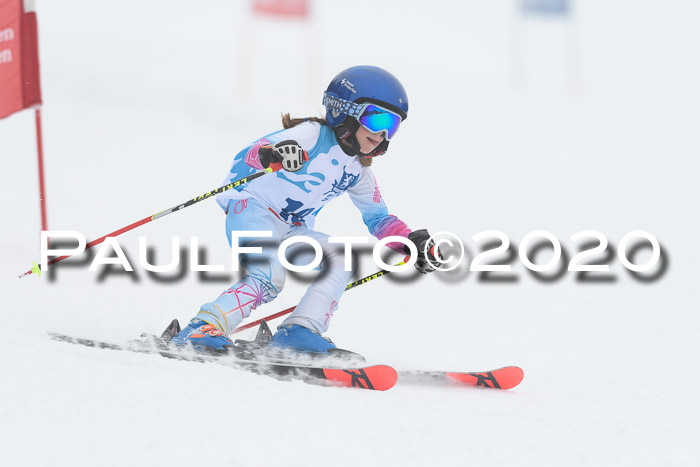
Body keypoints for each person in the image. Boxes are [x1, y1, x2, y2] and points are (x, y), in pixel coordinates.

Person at [171, 65, 441, 354]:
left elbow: (379, 219)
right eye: (377, 119)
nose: (383, 133)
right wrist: (272, 155)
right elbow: (248, 156)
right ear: (344, 110)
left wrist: (411, 244)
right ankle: (202, 328)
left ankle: (299, 331)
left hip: (293, 229)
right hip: (253, 210)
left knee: (342, 258)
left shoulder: (359, 172)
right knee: (269, 276)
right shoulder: (312, 135)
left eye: (393, 125)